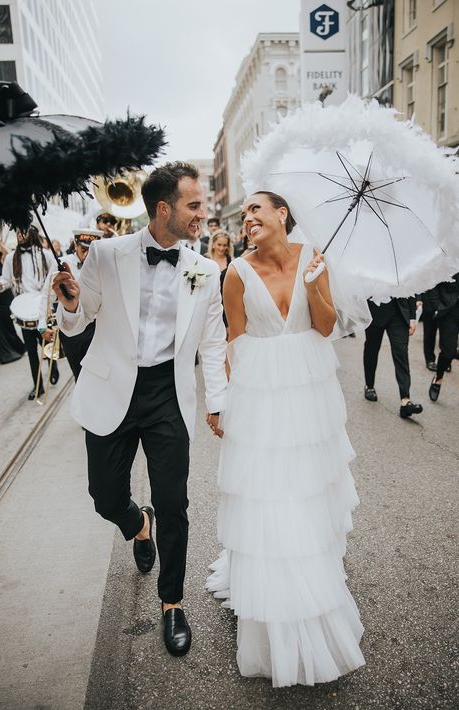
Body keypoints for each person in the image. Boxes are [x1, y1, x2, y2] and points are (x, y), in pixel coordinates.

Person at [52, 162, 227, 658]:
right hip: (112, 390)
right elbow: (77, 319)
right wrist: (68, 302)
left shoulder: (204, 270)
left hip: (168, 393)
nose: (202, 214)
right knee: (104, 496)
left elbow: (213, 343)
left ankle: (173, 601)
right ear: (164, 208)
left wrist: (217, 401)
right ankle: (137, 525)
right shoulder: (106, 255)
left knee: (175, 502)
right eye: (194, 205)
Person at [206, 191, 365, 687]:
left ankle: (312, 574)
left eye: (258, 208)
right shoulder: (235, 272)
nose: (248, 217)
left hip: (307, 392)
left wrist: (316, 285)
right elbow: (234, 338)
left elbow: (324, 326)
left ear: (282, 214)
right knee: (269, 495)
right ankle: (277, 602)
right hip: (258, 395)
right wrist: (223, 401)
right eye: (245, 212)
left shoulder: (313, 258)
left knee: (306, 489)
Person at [0, 226, 58, 399]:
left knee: (47, 345)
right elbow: (6, 280)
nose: (20, 235)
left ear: (33, 234)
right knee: (31, 351)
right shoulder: (11, 258)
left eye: (24, 232)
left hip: (43, 307)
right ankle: (38, 386)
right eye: (18, 232)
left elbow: (54, 277)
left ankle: (53, 366)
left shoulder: (46, 255)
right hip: (24, 310)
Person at [38, 229, 102, 380]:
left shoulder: (102, 264)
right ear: (76, 245)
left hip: (97, 328)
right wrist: (41, 323)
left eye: (91, 250)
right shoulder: (61, 263)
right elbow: (47, 295)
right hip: (71, 329)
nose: (87, 255)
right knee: (79, 375)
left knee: (97, 376)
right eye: (83, 249)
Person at [363, 298, 423, 418]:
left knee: (401, 353)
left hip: (399, 312)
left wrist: (412, 317)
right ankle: (369, 385)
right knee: (372, 349)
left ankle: (405, 400)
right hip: (375, 309)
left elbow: (408, 283)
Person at [0, 235, 25, 365]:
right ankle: (0, 356)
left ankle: (17, 348)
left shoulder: (3, 259)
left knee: (7, 324)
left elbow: (8, 253)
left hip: (4, 298)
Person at [426, 274, 459, 402]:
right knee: (448, 352)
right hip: (449, 312)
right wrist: (437, 306)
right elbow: (433, 283)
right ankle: (438, 378)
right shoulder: (447, 258)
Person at [207, 230, 233, 331]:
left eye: (224, 245)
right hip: (209, 306)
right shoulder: (205, 260)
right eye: (219, 244)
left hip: (226, 307)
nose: (222, 248)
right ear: (213, 244)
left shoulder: (232, 262)